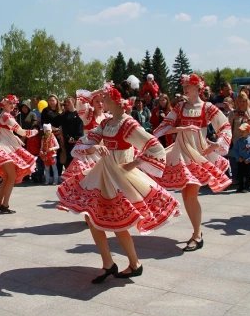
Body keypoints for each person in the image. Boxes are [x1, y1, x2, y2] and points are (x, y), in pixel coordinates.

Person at [57, 81, 179, 283]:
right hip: (103, 174)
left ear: (114, 100)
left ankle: (134, 263)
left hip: (119, 178)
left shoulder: (127, 124)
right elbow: (82, 145)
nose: (101, 100)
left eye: (104, 98)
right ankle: (108, 263)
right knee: (92, 217)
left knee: (117, 223)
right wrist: (94, 148)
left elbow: (154, 147)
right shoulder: (105, 124)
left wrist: (133, 164)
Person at [153, 74, 232, 251]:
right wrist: (181, 128)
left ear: (199, 87)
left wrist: (217, 144)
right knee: (187, 194)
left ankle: (197, 234)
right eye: (184, 85)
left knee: (191, 194)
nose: (185, 88)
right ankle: (197, 232)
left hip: (198, 152)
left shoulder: (207, 107)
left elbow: (225, 127)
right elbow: (163, 127)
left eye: (189, 85)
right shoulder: (180, 107)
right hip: (181, 152)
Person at [0, 95, 39, 213]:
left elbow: (5, 130)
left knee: (7, 177)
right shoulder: (6, 116)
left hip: (4, 145)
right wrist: (35, 131)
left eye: (13, 104)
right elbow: (20, 131)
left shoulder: (3, 115)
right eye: (10, 103)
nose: (13, 106)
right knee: (11, 177)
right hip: (4, 147)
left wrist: (15, 138)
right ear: (4, 104)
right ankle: (4, 204)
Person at [61, 88, 112, 180]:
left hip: (104, 153)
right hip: (89, 154)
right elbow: (81, 101)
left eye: (102, 101)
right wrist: (99, 91)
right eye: (97, 101)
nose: (100, 104)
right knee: (88, 182)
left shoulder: (108, 117)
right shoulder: (88, 116)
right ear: (92, 102)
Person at [59, 96, 84, 170]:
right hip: (68, 141)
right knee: (68, 159)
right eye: (66, 102)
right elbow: (64, 129)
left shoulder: (79, 114)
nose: (67, 104)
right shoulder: (64, 115)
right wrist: (68, 138)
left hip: (77, 141)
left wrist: (75, 138)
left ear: (73, 102)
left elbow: (80, 128)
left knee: (77, 160)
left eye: (68, 102)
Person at [233, 123, 250, 193]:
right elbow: (235, 149)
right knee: (240, 174)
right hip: (240, 161)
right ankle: (240, 186)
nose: (241, 133)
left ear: (248, 132)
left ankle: (247, 187)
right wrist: (238, 157)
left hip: (248, 161)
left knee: (248, 175)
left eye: (243, 131)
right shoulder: (238, 141)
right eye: (240, 131)